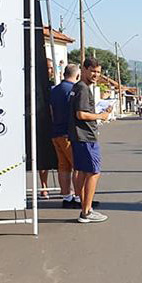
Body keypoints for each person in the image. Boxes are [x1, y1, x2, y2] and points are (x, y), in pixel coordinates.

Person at [68, 57, 111, 223]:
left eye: (98, 72)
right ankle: (86, 211)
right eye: (93, 71)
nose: (95, 75)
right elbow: (81, 114)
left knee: (83, 172)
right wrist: (102, 116)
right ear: (84, 70)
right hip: (85, 136)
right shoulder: (83, 89)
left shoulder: (77, 88)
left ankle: (85, 207)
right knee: (94, 172)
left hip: (78, 136)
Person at [50, 63, 80, 209]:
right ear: (77, 75)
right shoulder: (73, 90)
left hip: (55, 131)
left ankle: (66, 196)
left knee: (63, 167)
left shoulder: (54, 90)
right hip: (69, 133)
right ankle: (80, 197)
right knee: (78, 166)